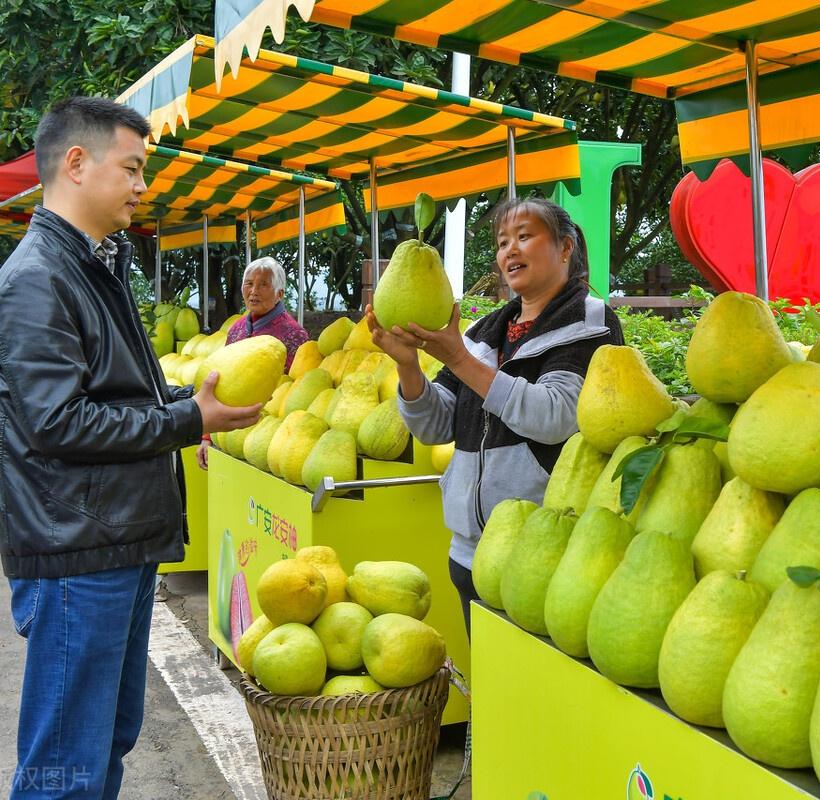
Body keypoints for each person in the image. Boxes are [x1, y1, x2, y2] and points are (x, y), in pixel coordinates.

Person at [0, 96, 262, 800]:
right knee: (65, 764)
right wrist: (187, 420)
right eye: (133, 167)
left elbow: (114, 396)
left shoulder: (91, 266)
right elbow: (60, 425)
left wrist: (185, 403)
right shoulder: (36, 281)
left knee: (103, 741)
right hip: (79, 552)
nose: (144, 185)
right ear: (76, 164)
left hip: (114, 539)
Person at [367, 197, 624, 637]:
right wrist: (408, 365)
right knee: (490, 692)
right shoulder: (484, 332)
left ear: (565, 248)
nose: (510, 251)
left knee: (530, 694)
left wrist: (459, 359)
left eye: (525, 237)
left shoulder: (591, 324)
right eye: (503, 242)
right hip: (469, 551)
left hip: (541, 549)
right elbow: (434, 426)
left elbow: (556, 415)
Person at [196, 256, 308, 468]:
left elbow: (297, 390)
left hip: (267, 440)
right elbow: (219, 382)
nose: (253, 291)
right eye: (249, 283)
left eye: (263, 284)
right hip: (228, 436)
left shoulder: (295, 335)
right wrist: (207, 437)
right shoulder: (237, 328)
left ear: (280, 294)